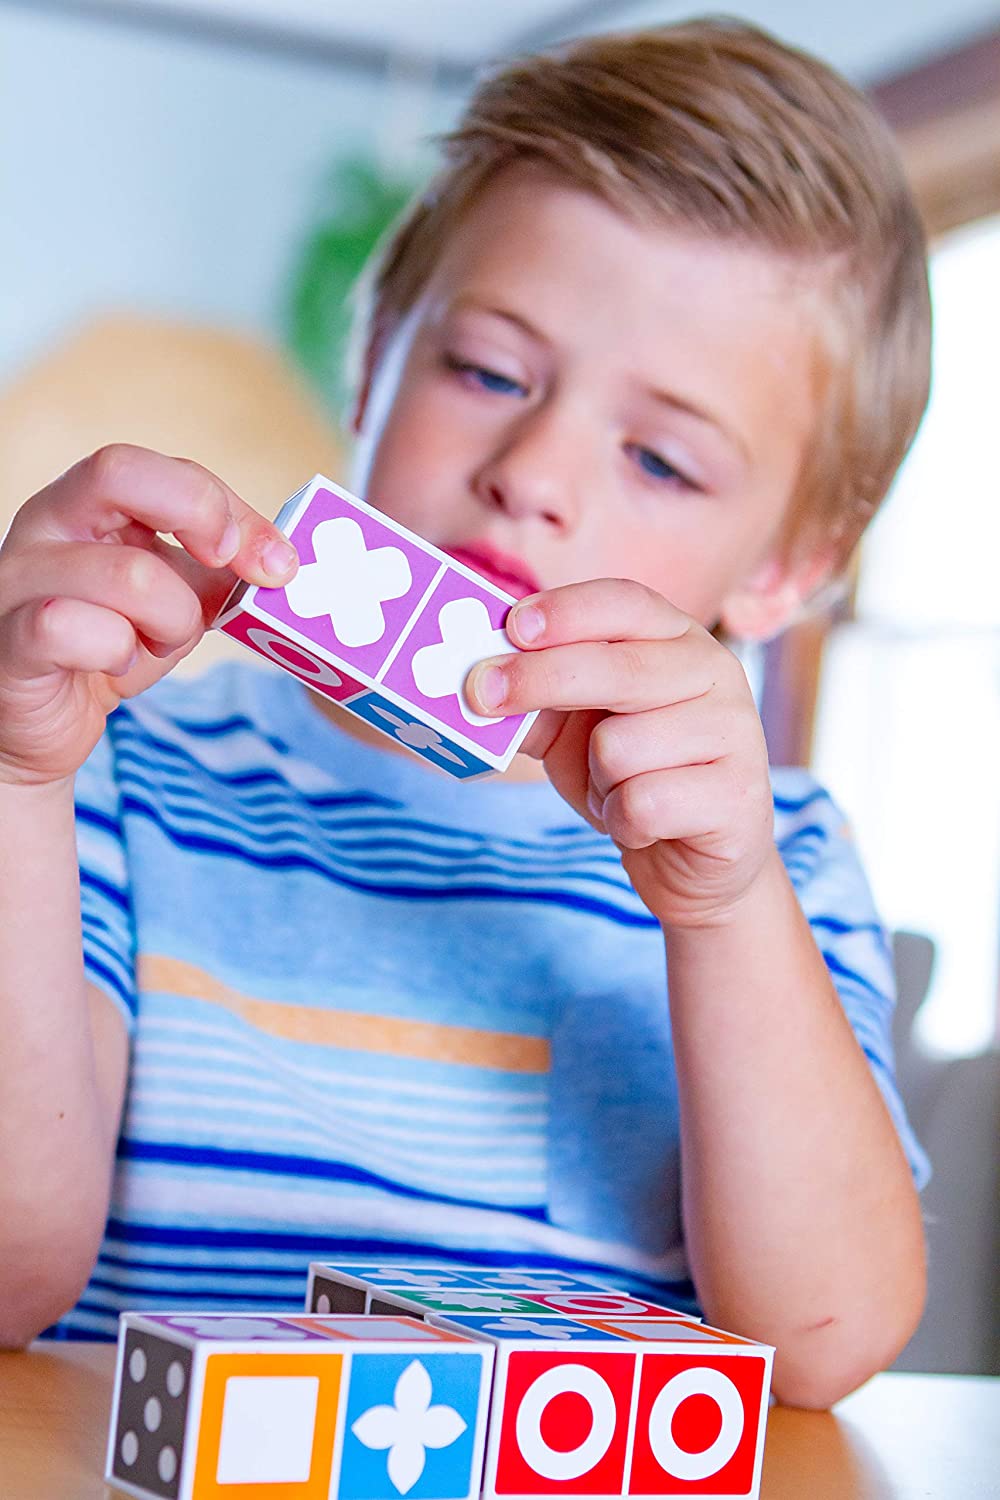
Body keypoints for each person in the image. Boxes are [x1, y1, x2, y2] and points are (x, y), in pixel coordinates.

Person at [0, 19, 931, 1407]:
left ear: (790, 567)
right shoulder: (118, 780)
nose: (532, 471)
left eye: (663, 459)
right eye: (489, 373)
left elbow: (825, 1349)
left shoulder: (776, 865)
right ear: (373, 361)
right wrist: (16, 780)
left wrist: (724, 911)